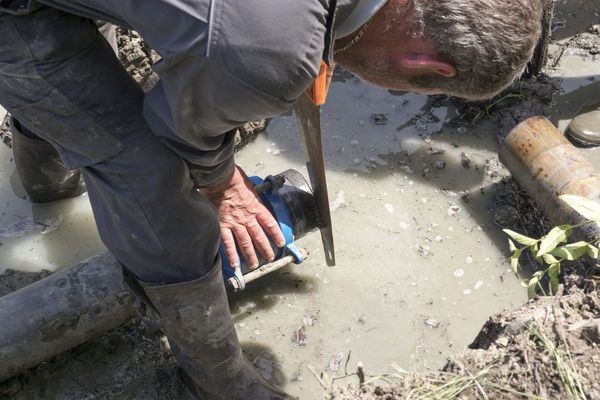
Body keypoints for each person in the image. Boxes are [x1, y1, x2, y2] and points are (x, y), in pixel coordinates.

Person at [0, 0, 544, 398]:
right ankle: (216, 381)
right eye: (416, 88)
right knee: (148, 173)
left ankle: (46, 185)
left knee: (88, 87)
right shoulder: (277, 52)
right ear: (428, 67)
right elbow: (175, 130)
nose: (399, 95)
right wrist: (223, 187)